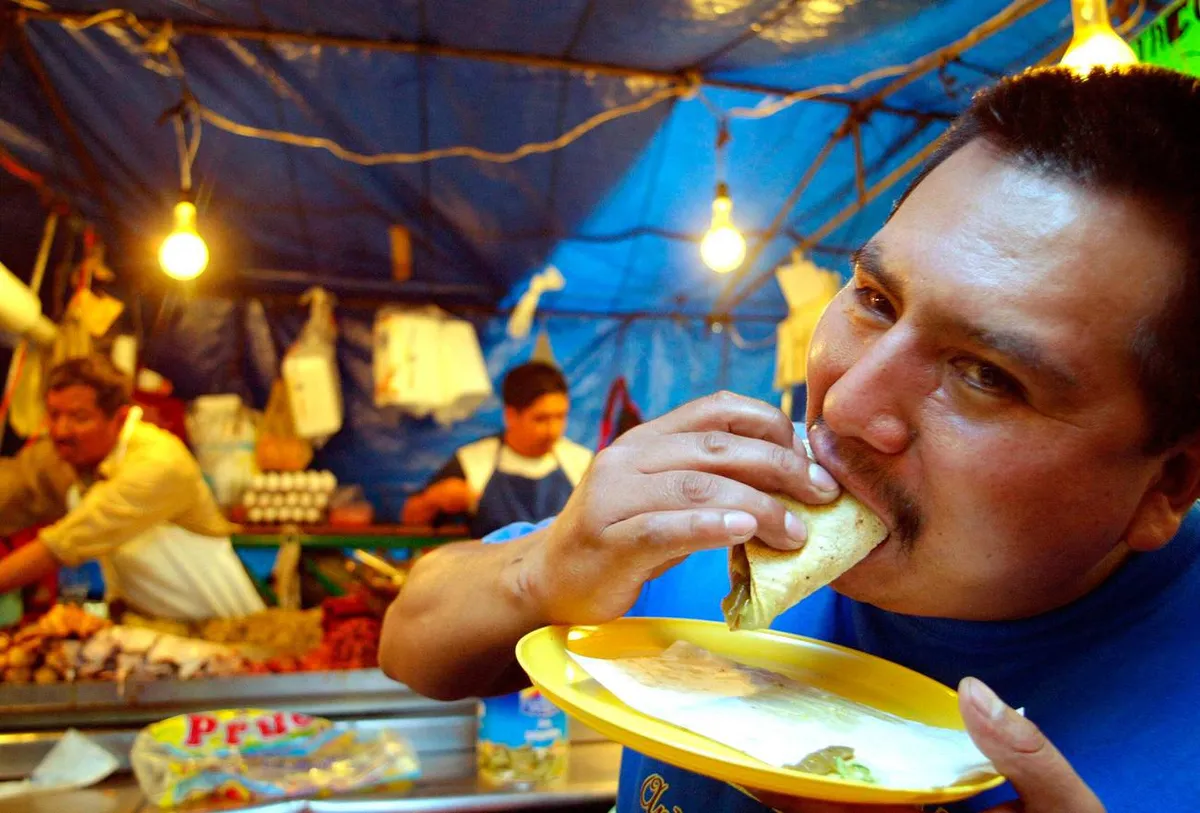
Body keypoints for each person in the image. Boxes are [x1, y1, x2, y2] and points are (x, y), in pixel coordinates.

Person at [380, 65, 1200, 812]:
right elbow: (412, 643)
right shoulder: (721, 529)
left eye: (985, 373)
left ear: (1167, 484)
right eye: (875, 299)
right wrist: (547, 567)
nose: (845, 406)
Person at [0, 355, 265, 621]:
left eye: (79, 417)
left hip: (221, 627)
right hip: (153, 626)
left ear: (120, 417)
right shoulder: (80, 460)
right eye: (54, 415)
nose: (61, 431)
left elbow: (65, 543)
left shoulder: (157, 462)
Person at [401, 361, 593, 538]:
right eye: (540, 419)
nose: (553, 430)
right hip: (490, 572)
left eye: (560, 417)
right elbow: (411, 518)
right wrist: (434, 499)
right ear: (511, 415)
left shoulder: (582, 463)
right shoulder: (473, 461)